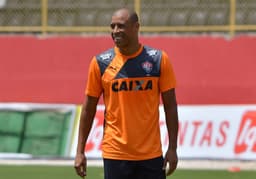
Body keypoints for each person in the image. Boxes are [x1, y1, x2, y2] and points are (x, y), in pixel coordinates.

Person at [74, 7, 179, 179]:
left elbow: (171, 106)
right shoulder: (100, 63)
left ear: (136, 27)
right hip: (115, 154)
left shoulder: (158, 60)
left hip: (151, 155)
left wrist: (173, 148)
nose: (115, 31)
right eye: (112, 26)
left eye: (121, 26)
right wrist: (80, 151)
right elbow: (88, 109)